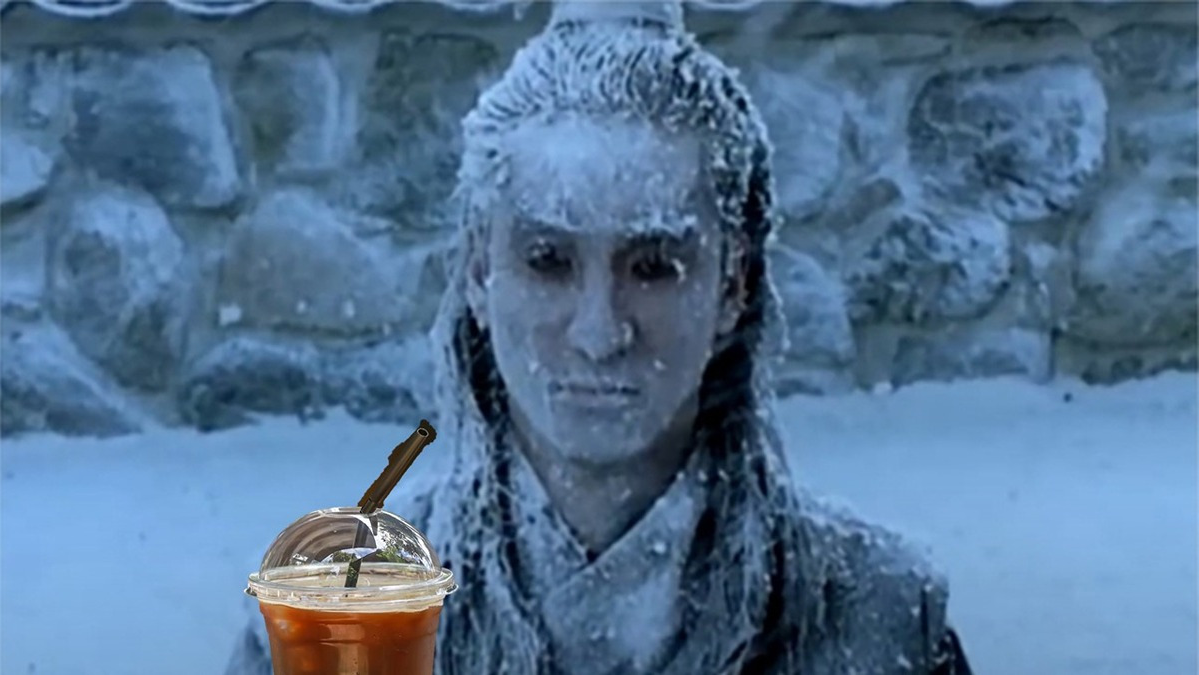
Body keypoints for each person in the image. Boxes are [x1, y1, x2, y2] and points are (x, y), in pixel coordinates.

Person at [226, 2, 974, 673]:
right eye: (548, 260)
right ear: (481, 272)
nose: (598, 332)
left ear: (732, 285)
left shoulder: (879, 623)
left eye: (653, 267)